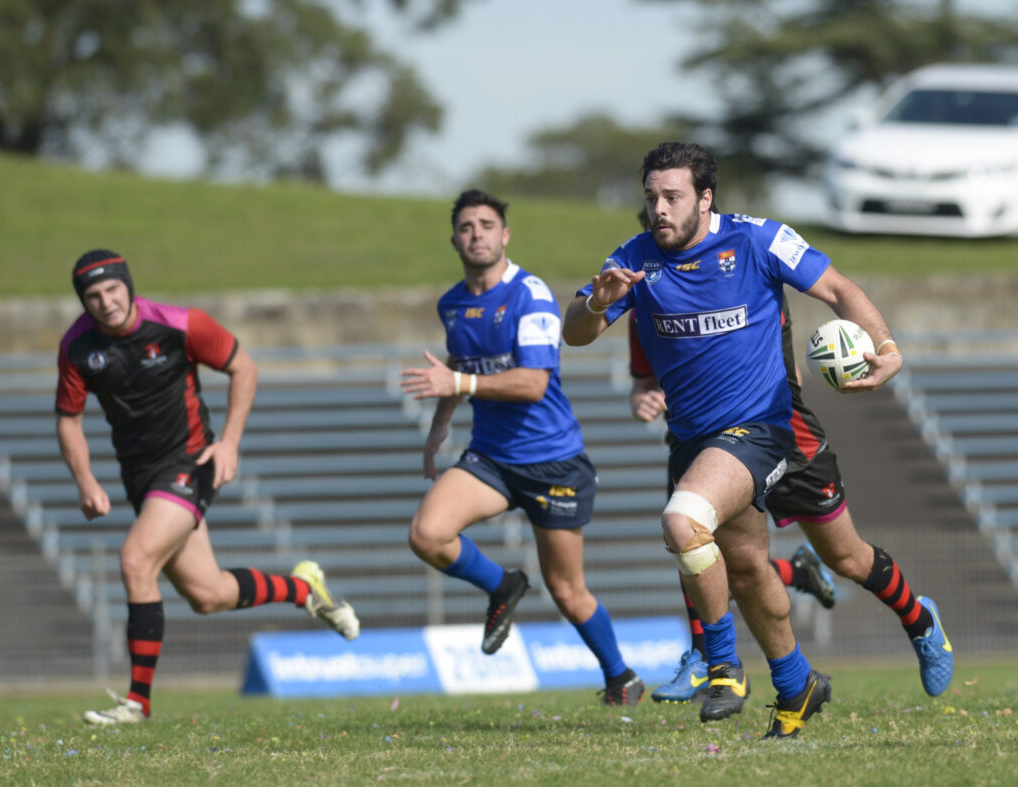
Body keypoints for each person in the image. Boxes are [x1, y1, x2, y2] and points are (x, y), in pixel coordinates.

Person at [562, 141, 930, 739]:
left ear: (705, 198)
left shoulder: (758, 239)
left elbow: (838, 289)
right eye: (652, 197)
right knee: (748, 570)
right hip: (694, 439)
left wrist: (886, 348)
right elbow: (576, 333)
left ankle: (721, 665)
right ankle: (796, 682)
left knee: (683, 522)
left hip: (760, 429)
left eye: (673, 196)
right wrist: (594, 305)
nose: (659, 208)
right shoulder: (633, 258)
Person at [56, 250, 360, 726]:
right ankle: (304, 588)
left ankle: (137, 704)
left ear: (127, 285)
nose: (106, 301)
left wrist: (230, 444)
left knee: (136, 560)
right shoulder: (77, 347)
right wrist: (85, 480)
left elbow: (244, 368)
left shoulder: (181, 324)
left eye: (112, 289)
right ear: (83, 301)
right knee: (208, 594)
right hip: (141, 477)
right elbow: (68, 419)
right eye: (93, 295)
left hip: (189, 463)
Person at [629, 303, 953, 704]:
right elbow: (643, 381)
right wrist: (642, 399)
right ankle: (708, 658)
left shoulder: (747, 277)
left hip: (785, 437)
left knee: (846, 557)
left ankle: (919, 621)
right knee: (694, 534)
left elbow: (802, 333)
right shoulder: (644, 301)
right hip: (704, 443)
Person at [400, 189, 644, 706]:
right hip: (491, 458)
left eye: (487, 225)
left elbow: (533, 383)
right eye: (466, 227)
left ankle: (620, 678)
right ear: (454, 241)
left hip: (553, 462)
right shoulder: (452, 304)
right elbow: (460, 363)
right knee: (427, 534)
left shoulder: (531, 295)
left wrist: (456, 386)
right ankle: (502, 585)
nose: (477, 234)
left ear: (505, 235)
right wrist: (440, 425)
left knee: (567, 591)